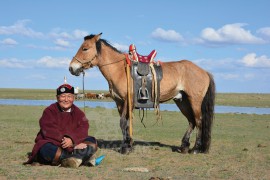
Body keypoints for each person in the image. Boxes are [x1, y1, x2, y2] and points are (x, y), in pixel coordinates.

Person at [24, 83, 98, 168]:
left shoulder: (79, 113)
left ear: (73, 98)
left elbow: (83, 128)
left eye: (69, 96)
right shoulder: (49, 111)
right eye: (63, 96)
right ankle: (80, 158)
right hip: (55, 144)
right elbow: (49, 131)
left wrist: (72, 140)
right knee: (45, 148)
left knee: (91, 140)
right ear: (57, 97)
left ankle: (74, 159)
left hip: (72, 143)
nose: (66, 99)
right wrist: (72, 145)